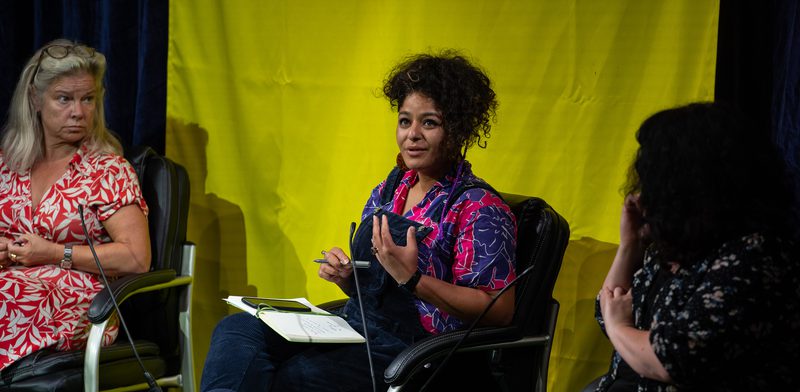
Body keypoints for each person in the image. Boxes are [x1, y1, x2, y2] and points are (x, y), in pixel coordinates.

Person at [201, 51, 517, 391]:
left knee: (297, 376)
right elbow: (378, 288)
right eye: (405, 120)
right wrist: (348, 278)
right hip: (359, 325)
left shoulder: (478, 207)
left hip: (421, 351)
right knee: (236, 330)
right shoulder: (390, 189)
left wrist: (414, 280)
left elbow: (498, 310)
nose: (412, 135)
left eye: (430, 123)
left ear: (458, 130)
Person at [594, 102, 800, 391]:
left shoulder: (755, 258)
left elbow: (670, 360)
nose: (643, 190)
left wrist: (620, 328)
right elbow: (606, 309)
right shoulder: (673, 248)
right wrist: (630, 245)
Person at [0, 39, 151, 370]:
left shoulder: (107, 170)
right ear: (35, 99)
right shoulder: (6, 165)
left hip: (81, 302)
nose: (78, 112)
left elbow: (137, 259)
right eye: (64, 99)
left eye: (88, 99)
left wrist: (55, 253)